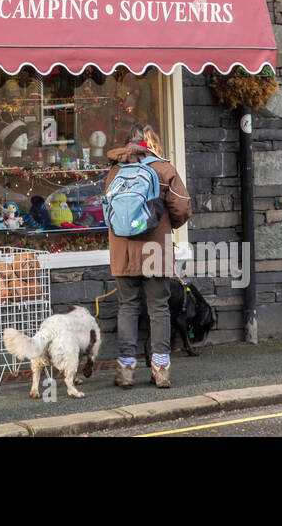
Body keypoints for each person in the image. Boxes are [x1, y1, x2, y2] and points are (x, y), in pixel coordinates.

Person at [106, 122, 191, 389]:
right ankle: (161, 369)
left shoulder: (115, 171)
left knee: (127, 306)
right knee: (158, 308)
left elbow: (109, 211)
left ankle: (126, 369)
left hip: (123, 251)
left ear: (128, 144)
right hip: (156, 249)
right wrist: (166, 225)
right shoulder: (164, 169)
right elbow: (182, 208)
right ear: (152, 142)